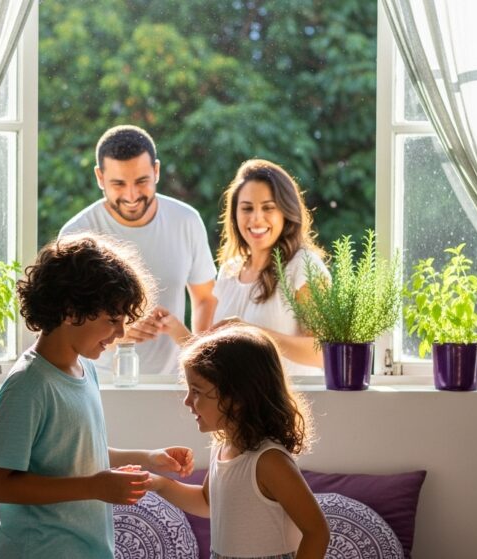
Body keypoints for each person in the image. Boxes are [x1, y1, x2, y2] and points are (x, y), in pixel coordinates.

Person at [0, 234, 195, 559]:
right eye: (112, 321)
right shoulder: (28, 384)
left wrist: (148, 457)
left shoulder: (85, 370)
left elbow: (78, 454)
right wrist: (95, 487)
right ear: (70, 311)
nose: (122, 333)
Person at [153, 325, 330, 559]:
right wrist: (157, 484)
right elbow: (207, 502)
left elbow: (317, 531)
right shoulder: (223, 448)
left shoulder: (269, 461)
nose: (187, 401)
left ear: (236, 397)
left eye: (196, 391)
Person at [60, 124, 218, 376]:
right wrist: (116, 332)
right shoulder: (78, 232)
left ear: (156, 171)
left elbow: (206, 298)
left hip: (172, 383)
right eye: (118, 184)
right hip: (98, 382)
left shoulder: (186, 220)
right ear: (100, 177)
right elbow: (66, 320)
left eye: (141, 181)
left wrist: (199, 357)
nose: (131, 195)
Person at [210, 159, 329, 376]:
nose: (256, 219)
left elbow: (322, 352)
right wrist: (171, 328)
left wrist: (253, 334)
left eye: (268, 208)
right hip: (235, 404)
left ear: (286, 212)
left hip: (288, 405)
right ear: (234, 215)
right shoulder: (229, 271)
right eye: (247, 208)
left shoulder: (303, 266)